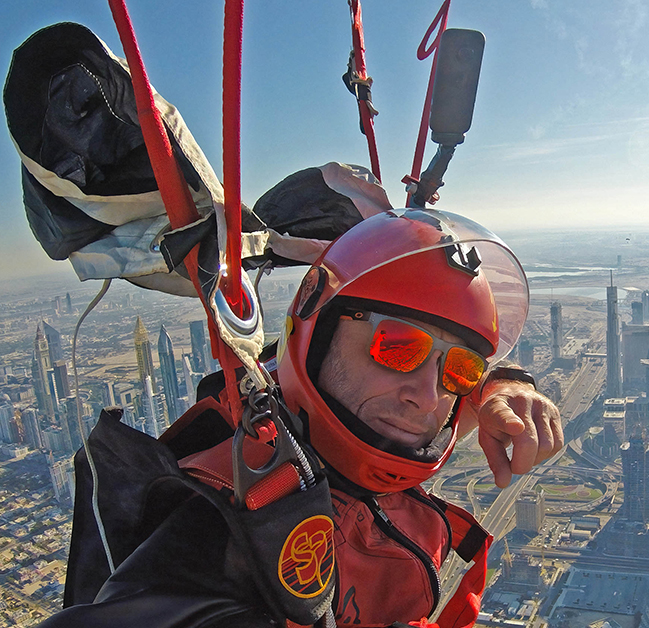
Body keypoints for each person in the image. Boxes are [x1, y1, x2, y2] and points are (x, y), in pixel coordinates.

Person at [47, 208, 563, 628]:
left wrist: (504, 384)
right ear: (319, 336)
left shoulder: (326, 412)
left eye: (460, 369)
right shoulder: (218, 528)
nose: (428, 398)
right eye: (398, 348)